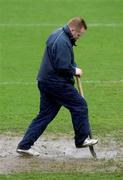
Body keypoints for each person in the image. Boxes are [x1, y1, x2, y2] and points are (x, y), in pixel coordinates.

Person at [16, 17, 98, 156]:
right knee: (79, 105)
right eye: (79, 35)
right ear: (72, 30)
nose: (79, 38)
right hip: (56, 83)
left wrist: (74, 66)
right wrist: (74, 70)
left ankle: (24, 145)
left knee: (45, 115)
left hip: (46, 81)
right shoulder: (62, 42)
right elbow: (62, 66)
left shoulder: (60, 35)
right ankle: (81, 140)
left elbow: (66, 59)